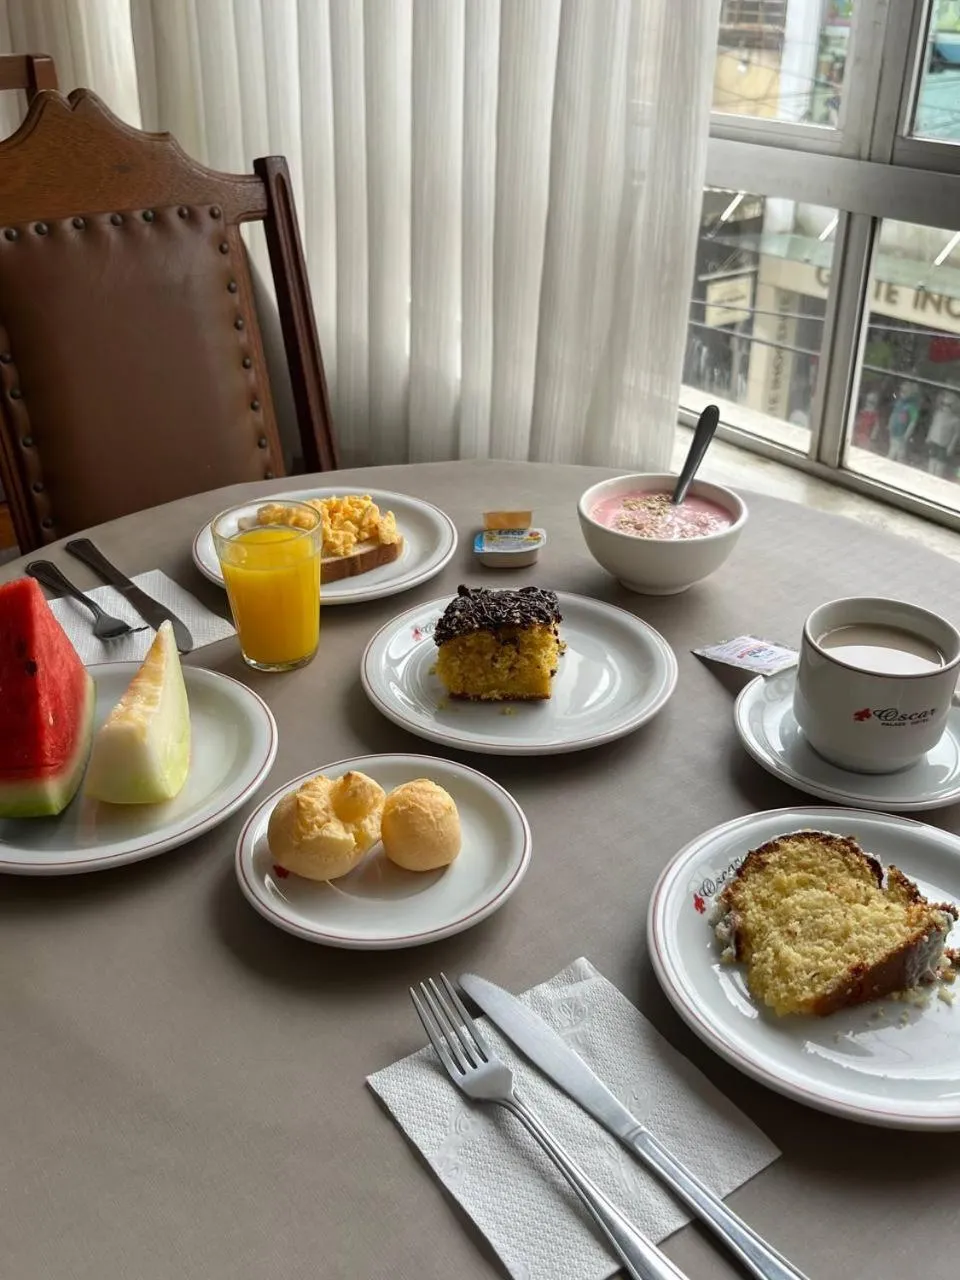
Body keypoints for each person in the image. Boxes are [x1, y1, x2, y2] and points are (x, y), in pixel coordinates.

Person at [926, 389, 960, 477]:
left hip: (944, 445)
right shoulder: (938, 414)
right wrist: (929, 436)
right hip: (934, 441)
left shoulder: (955, 420)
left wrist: (951, 446)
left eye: (949, 405)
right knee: (932, 459)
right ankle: (930, 475)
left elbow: (956, 435)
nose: (945, 407)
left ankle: (937, 476)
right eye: (943, 404)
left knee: (940, 463)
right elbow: (933, 425)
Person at [886, 381, 921, 463]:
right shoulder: (899, 403)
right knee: (893, 446)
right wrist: (890, 423)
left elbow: (913, 421)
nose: (902, 394)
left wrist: (907, 434)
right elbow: (894, 414)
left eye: (905, 392)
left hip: (902, 432)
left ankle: (897, 461)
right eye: (902, 391)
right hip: (894, 430)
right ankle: (891, 458)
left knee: (900, 451)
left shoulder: (912, 407)